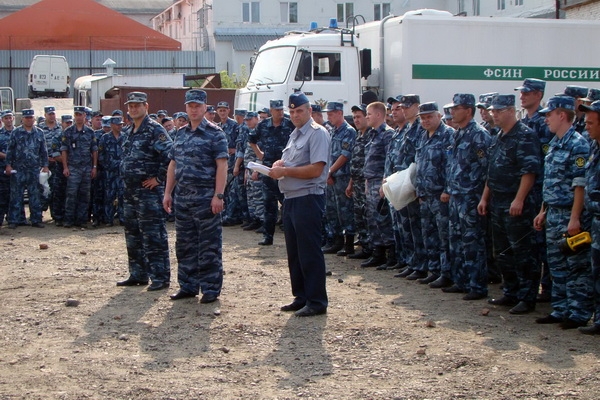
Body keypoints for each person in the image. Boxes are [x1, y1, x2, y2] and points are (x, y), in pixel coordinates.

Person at [477, 95, 542, 314]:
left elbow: (529, 171)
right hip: (498, 202)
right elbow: (491, 171)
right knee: (502, 251)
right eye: (492, 111)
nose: (493, 114)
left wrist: (519, 199)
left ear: (510, 111)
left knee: (522, 251)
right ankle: (511, 291)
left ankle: (526, 296)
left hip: (517, 204)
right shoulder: (498, 136)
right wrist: (485, 197)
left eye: (498, 111)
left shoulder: (525, 136)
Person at [534, 95, 593, 329]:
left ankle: (578, 313)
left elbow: (580, 184)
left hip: (570, 213)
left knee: (576, 266)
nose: (546, 118)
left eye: (549, 114)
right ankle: (560, 308)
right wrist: (543, 211)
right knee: (556, 264)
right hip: (553, 213)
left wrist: (575, 218)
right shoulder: (555, 143)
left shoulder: (578, 144)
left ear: (562, 115)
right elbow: (550, 181)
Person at [268, 92, 330, 317]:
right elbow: (295, 162)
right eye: (291, 111)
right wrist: (281, 164)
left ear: (309, 111)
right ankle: (301, 296)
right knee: (295, 252)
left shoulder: (317, 133)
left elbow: (316, 169)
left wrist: (285, 171)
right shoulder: (295, 134)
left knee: (309, 251)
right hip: (291, 198)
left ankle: (316, 301)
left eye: (299, 111)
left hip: (308, 197)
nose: (294, 115)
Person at [163, 89, 228, 303]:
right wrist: (167, 193)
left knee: (209, 244)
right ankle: (188, 285)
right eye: (190, 105)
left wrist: (218, 195)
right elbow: (173, 164)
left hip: (205, 198)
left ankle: (210, 288)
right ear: (186, 107)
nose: (193, 109)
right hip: (182, 199)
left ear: (205, 107)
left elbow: (222, 165)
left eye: (197, 106)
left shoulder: (215, 133)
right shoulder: (180, 133)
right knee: (185, 244)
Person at [117, 92, 172, 291]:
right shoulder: (128, 130)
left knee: (153, 235)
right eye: (130, 106)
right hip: (130, 192)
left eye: (137, 105)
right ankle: (138, 274)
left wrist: (158, 179)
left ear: (146, 106)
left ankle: (160, 277)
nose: (133, 109)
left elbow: (170, 154)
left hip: (148, 192)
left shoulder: (154, 129)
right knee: (133, 235)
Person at [444, 94, 491, 301]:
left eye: (457, 108)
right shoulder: (457, 134)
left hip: (471, 197)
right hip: (456, 196)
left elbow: (486, 169)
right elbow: (452, 165)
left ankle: (477, 285)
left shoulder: (479, 135)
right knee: (456, 240)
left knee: (473, 242)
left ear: (469, 111)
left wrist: (482, 197)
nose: (452, 112)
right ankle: (461, 280)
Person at [515, 77, 553, 303]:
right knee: (528, 244)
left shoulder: (543, 122)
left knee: (542, 244)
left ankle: (547, 289)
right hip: (524, 190)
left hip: (539, 190)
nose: (523, 96)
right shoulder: (524, 121)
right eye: (522, 92)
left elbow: (545, 161)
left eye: (527, 92)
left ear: (539, 95)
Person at [414, 102, 454, 288]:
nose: (425, 120)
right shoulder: (422, 136)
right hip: (425, 194)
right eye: (422, 117)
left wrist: (447, 189)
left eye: (429, 116)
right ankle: (435, 269)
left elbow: (451, 166)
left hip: (440, 195)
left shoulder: (448, 135)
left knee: (443, 236)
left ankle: (447, 272)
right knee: (428, 234)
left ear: (439, 116)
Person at [248, 100, 295, 245]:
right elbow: (251, 139)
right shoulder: (263, 125)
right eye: (276, 110)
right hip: (268, 169)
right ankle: (268, 237)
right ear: (271, 111)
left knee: (288, 203)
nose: (279, 112)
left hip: (285, 168)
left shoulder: (289, 124)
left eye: (281, 109)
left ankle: (291, 235)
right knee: (269, 204)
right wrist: (260, 154)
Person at [360, 102, 395, 268]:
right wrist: (367, 181)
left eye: (369, 114)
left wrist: (384, 182)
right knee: (372, 219)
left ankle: (391, 255)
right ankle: (377, 253)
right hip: (371, 181)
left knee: (383, 219)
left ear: (379, 115)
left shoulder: (387, 134)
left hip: (381, 182)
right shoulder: (372, 134)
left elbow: (390, 159)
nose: (367, 117)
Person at [4, 109, 49, 229]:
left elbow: (43, 151)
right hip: (18, 169)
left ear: (34, 119)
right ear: (22, 119)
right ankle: (14, 220)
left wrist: (45, 165)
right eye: (26, 117)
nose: (29, 119)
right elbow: (10, 150)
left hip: (34, 169)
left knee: (35, 196)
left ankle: (36, 219)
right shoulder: (16, 132)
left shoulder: (39, 132)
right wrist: (8, 165)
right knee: (16, 196)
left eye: (31, 117)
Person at [322, 101, 356, 255]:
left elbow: (345, 155)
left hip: (342, 176)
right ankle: (336, 241)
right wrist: (327, 172)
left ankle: (348, 245)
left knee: (345, 211)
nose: (328, 117)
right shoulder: (332, 131)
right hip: (331, 176)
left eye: (331, 114)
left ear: (340, 113)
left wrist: (330, 171)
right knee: (331, 210)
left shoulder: (349, 131)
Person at [579, 99, 600, 335]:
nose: (587, 126)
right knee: (596, 271)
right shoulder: (593, 146)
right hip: (595, 220)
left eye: (591, 122)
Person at [60, 106, 98, 228]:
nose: (78, 117)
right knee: (71, 195)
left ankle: (81, 220)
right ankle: (69, 219)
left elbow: (94, 151)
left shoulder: (90, 132)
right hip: (73, 168)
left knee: (84, 195)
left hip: (87, 168)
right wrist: (65, 167)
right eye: (76, 115)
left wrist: (94, 167)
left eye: (80, 115)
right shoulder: (68, 132)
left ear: (84, 116)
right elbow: (64, 151)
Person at [346, 104, 372, 260]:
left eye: (359, 116)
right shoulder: (358, 135)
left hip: (367, 184)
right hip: (356, 183)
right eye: (354, 117)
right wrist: (350, 183)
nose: (356, 120)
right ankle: (364, 246)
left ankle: (371, 249)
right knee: (359, 216)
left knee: (368, 216)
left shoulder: (371, 136)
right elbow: (355, 162)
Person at [98, 116, 125, 226]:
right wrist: (108, 165)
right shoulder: (105, 138)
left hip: (122, 172)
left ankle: (122, 218)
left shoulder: (125, 137)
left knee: (123, 195)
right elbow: (100, 155)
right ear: (112, 125)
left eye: (121, 124)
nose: (120, 126)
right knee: (109, 195)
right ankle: (108, 218)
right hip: (110, 172)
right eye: (118, 124)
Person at [0, 110, 15, 226]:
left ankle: (13, 218)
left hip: (19, 167)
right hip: (2, 168)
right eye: (6, 118)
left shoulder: (19, 132)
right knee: (3, 194)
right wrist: (8, 157)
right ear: (2, 120)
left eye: (10, 117)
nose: (8, 120)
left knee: (15, 194)